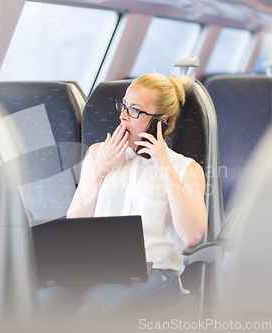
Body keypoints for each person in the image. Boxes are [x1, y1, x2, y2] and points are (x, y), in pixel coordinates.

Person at [37, 73, 207, 324]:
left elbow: (192, 236)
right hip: (97, 267)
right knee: (47, 298)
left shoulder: (186, 169)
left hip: (157, 272)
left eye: (134, 110)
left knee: (98, 301)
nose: (122, 115)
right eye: (123, 106)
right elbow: (75, 223)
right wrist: (100, 171)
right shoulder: (99, 154)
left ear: (159, 122)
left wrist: (165, 167)